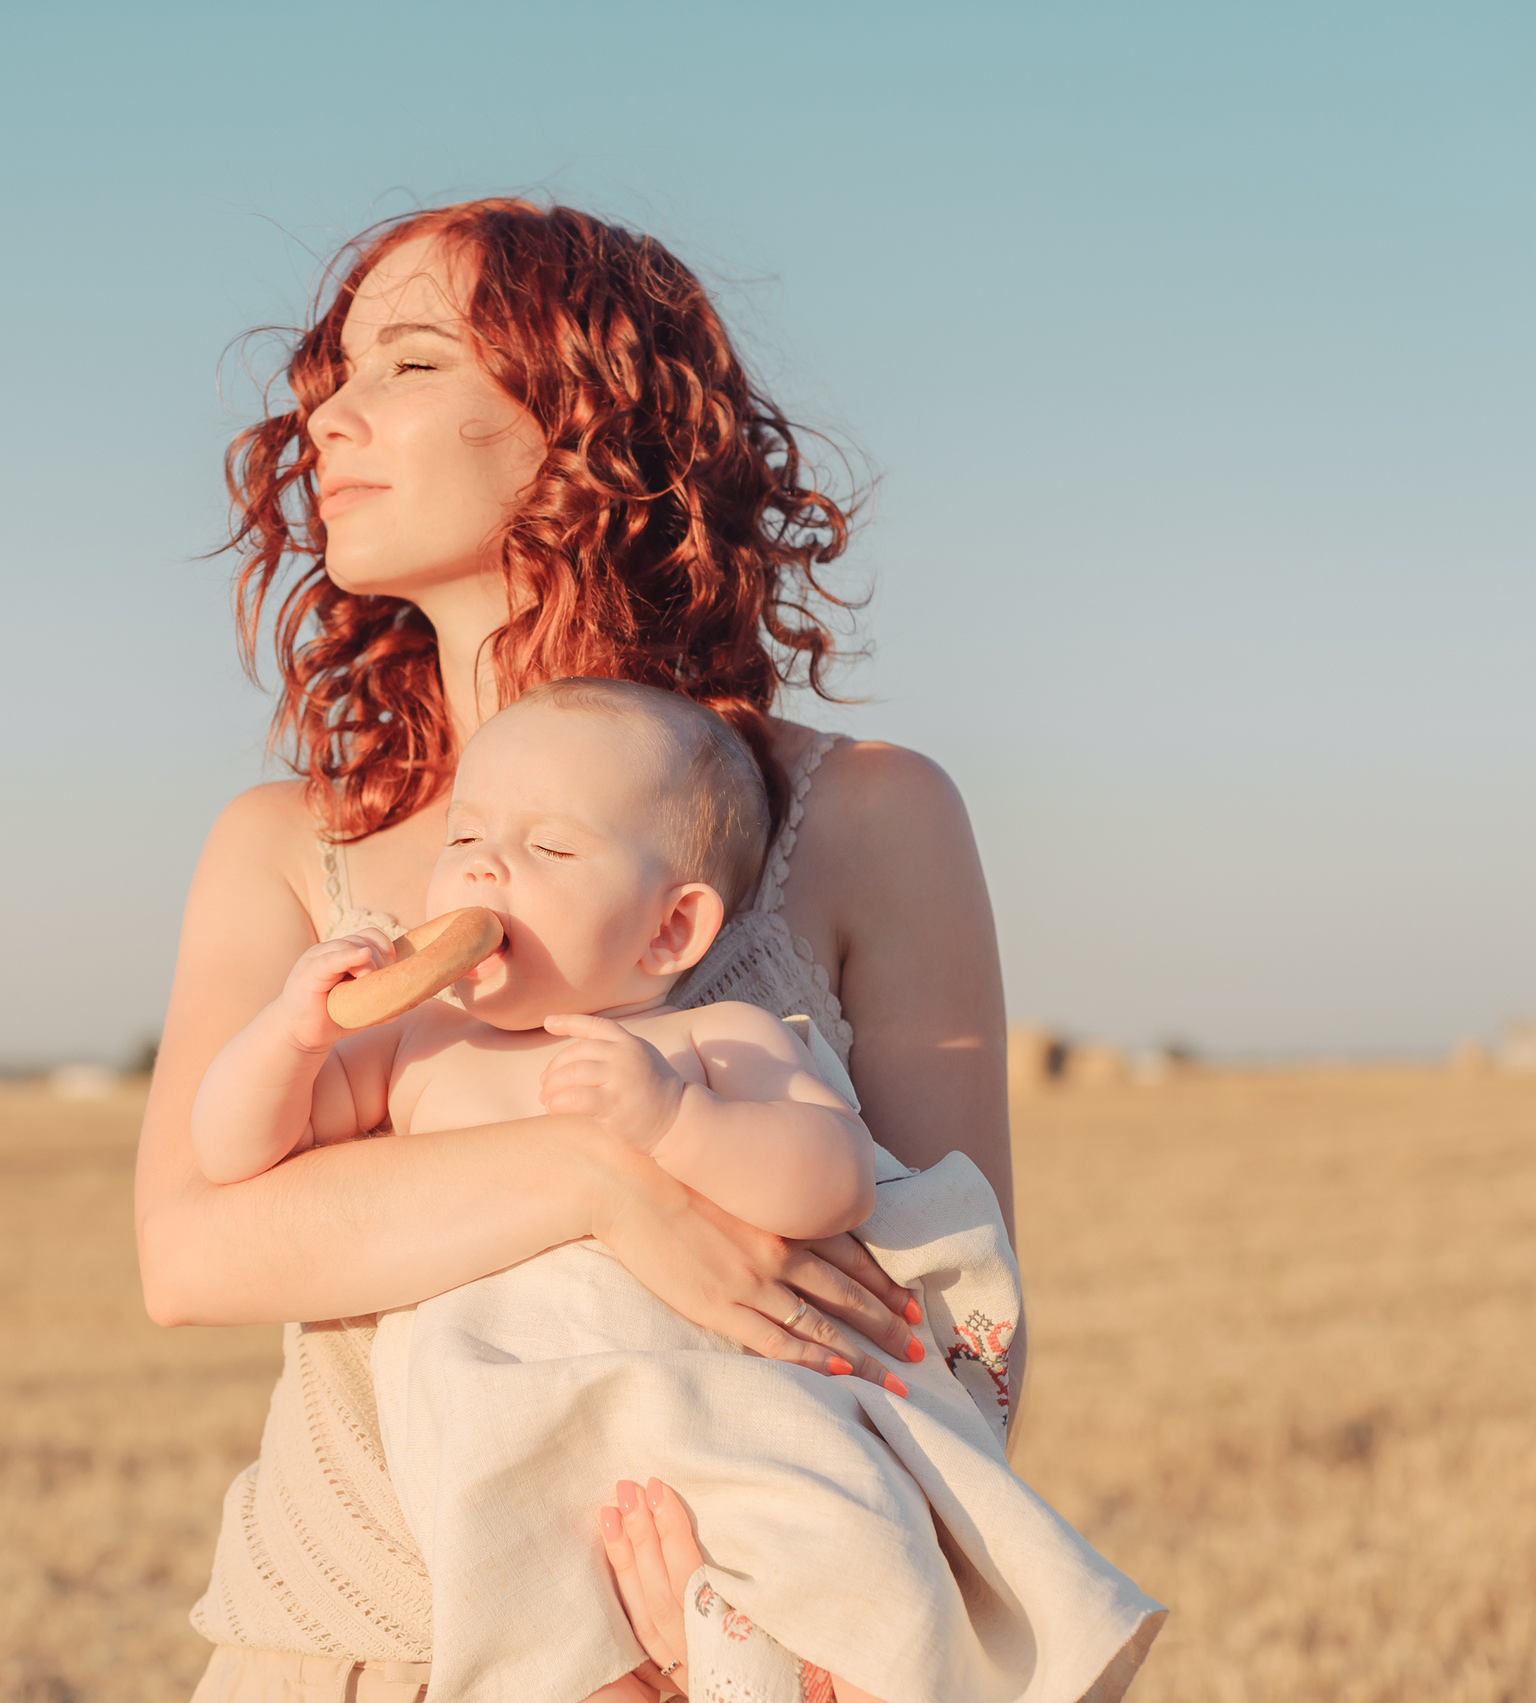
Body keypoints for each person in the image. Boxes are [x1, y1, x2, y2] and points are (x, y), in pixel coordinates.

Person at [134, 198, 1018, 1703]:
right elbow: (191, 1248)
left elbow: (962, 1315)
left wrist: (786, 1642)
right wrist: (605, 1177)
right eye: (331, 375)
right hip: (336, 1646)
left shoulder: (862, 814)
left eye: (405, 364)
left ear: (586, 418)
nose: (329, 418)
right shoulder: (289, 843)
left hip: (745, 1648)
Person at [189, 679, 1161, 1703]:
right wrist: (288, 1037)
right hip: (505, 1422)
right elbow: (237, 1149)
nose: (481, 864)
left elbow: (827, 1180)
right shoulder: (415, 1049)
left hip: (698, 1412)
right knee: (525, 1588)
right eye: (465, 834)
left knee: (831, 1542)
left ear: (669, 929)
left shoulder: (710, 1038)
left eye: (548, 849)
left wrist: (672, 1120)